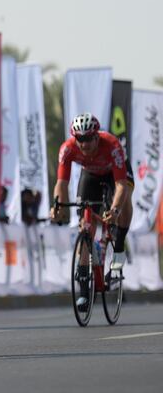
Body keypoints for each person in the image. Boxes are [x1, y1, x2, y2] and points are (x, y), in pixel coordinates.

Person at [50, 112, 134, 310]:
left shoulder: (112, 145)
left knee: (125, 199)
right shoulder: (67, 149)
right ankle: (84, 292)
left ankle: (119, 245)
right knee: (85, 225)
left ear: (97, 136)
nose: (84, 144)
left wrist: (114, 210)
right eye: (80, 139)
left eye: (88, 139)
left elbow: (121, 185)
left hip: (116, 174)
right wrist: (58, 207)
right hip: (91, 175)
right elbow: (61, 184)